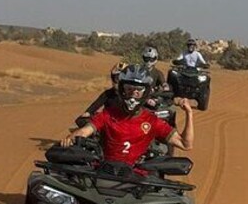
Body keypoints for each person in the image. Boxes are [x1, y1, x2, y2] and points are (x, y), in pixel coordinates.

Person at [62, 64, 193, 166]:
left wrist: (189, 113)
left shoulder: (152, 121)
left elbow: (185, 144)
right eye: (129, 89)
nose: (133, 94)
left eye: (138, 90)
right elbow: (84, 131)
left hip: (136, 177)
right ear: (122, 90)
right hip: (104, 171)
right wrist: (71, 138)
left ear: (145, 92)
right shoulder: (108, 114)